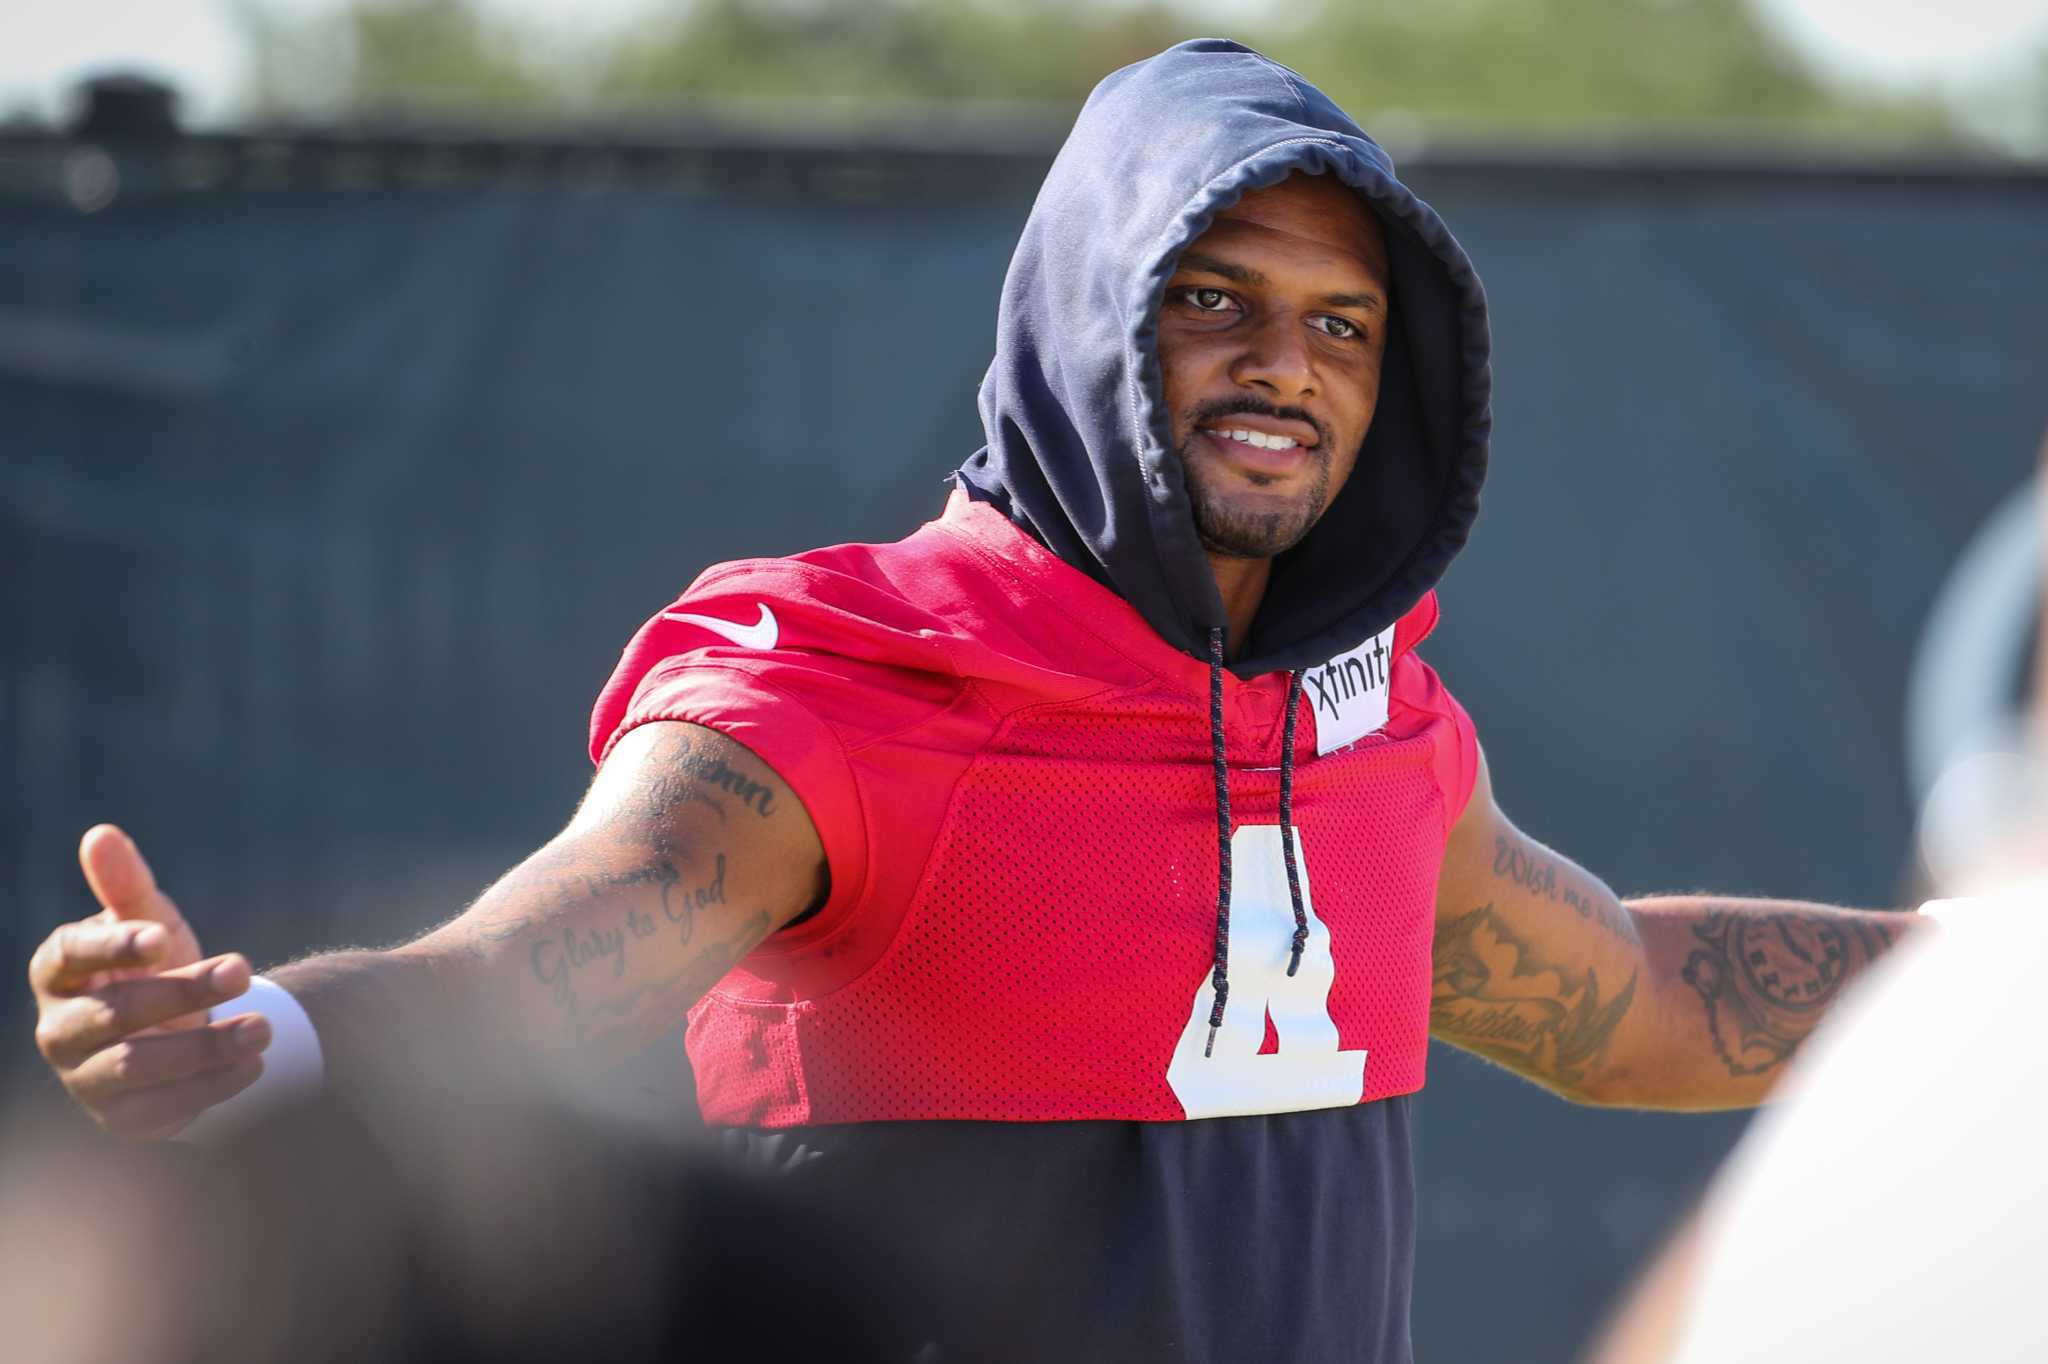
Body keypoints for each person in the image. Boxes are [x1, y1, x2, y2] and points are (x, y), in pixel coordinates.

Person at [27, 40, 1919, 1362]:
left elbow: (1636, 1008)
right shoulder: (842, 679)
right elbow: (520, 972)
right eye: (1214, 300)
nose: (1289, 366)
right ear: (1091, 315)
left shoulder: (1373, 733)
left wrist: (1987, 967)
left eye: (1345, 326)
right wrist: (251, 1038)